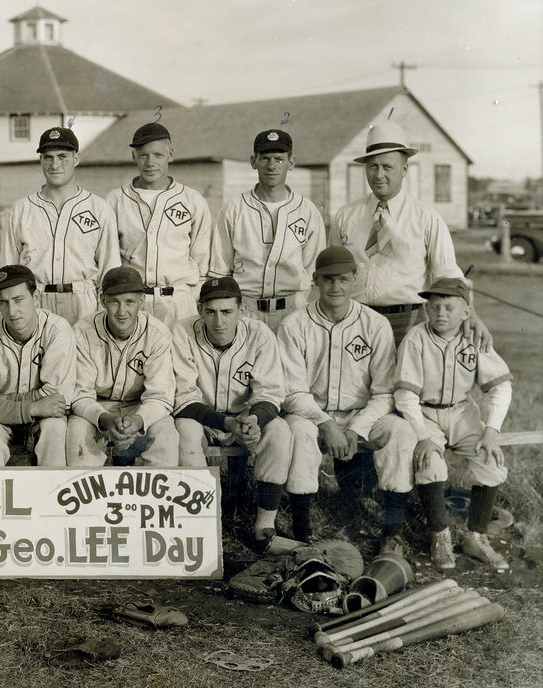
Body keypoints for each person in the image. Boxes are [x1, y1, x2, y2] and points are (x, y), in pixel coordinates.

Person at [278, 246, 416, 551]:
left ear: (355, 278)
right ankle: (302, 532)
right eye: (327, 279)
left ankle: (392, 532)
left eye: (342, 279)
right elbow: (292, 392)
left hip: (360, 413)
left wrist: (357, 429)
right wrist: (326, 424)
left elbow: (383, 392)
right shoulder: (294, 324)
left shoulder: (375, 324)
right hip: (312, 413)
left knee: (401, 431)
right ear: (315, 280)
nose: (335, 287)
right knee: (299, 432)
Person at [329, 122, 489, 348]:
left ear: (404, 169)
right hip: (355, 318)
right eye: (372, 166)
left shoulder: (426, 218)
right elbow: (333, 273)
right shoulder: (345, 216)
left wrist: (470, 314)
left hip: (408, 321)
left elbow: (447, 274)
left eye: (387, 167)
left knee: (405, 383)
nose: (379, 174)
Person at [172, 276, 301, 546]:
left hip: (246, 417)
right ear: (200, 310)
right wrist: (223, 422)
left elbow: (271, 393)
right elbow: (183, 397)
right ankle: (200, 527)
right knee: (184, 431)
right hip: (203, 418)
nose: (219, 321)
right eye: (211, 312)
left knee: (278, 430)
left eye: (227, 312)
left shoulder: (259, 334)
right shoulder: (182, 332)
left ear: (241, 310)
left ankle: (265, 527)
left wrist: (255, 418)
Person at [395, 277, 513, 570]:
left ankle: (476, 537)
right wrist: (422, 435)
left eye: (449, 307)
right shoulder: (416, 338)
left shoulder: (475, 338)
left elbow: (500, 387)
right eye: (434, 307)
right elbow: (405, 394)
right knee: (430, 463)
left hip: (462, 411)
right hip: (424, 412)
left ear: (465, 312)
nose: (441, 314)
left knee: (491, 462)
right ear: (426, 310)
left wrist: (490, 430)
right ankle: (440, 536)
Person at [0, 126, 120, 325]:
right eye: (48, 157)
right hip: (36, 301)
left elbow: (110, 269)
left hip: (84, 300)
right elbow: (8, 270)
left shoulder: (99, 208)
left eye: (63, 156)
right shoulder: (21, 209)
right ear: (40, 161)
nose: (55, 164)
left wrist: (102, 314)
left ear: (76, 159)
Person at [208, 130, 325, 332]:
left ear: (292, 162)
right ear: (254, 161)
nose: (271, 166)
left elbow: (314, 271)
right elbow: (221, 269)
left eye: (279, 159)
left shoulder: (307, 211)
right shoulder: (234, 208)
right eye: (265, 159)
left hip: (294, 311)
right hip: (246, 310)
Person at [0, 265, 76, 466]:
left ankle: (50, 495)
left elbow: (59, 399)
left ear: (35, 298)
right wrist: (32, 407)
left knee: (55, 428)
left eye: (18, 300)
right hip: (0, 421)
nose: (12, 311)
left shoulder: (57, 329)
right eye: (4, 303)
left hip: (39, 418)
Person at [67, 266, 178, 466]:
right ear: (102, 301)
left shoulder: (157, 334)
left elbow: (160, 396)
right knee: (77, 433)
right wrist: (106, 419)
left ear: (142, 301)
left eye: (130, 302)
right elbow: (80, 395)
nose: (122, 312)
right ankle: (89, 495)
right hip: (97, 407)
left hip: (139, 407)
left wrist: (138, 420)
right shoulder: (82, 331)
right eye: (114, 302)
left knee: (166, 433)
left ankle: (154, 497)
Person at [107, 122, 212, 324]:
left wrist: (193, 300)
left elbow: (202, 261)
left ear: (170, 155)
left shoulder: (192, 200)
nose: (150, 163)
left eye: (158, 155)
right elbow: (108, 259)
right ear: (133, 156)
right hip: (132, 301)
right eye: (143, 155)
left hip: (179, 303)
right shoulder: (115, 200)